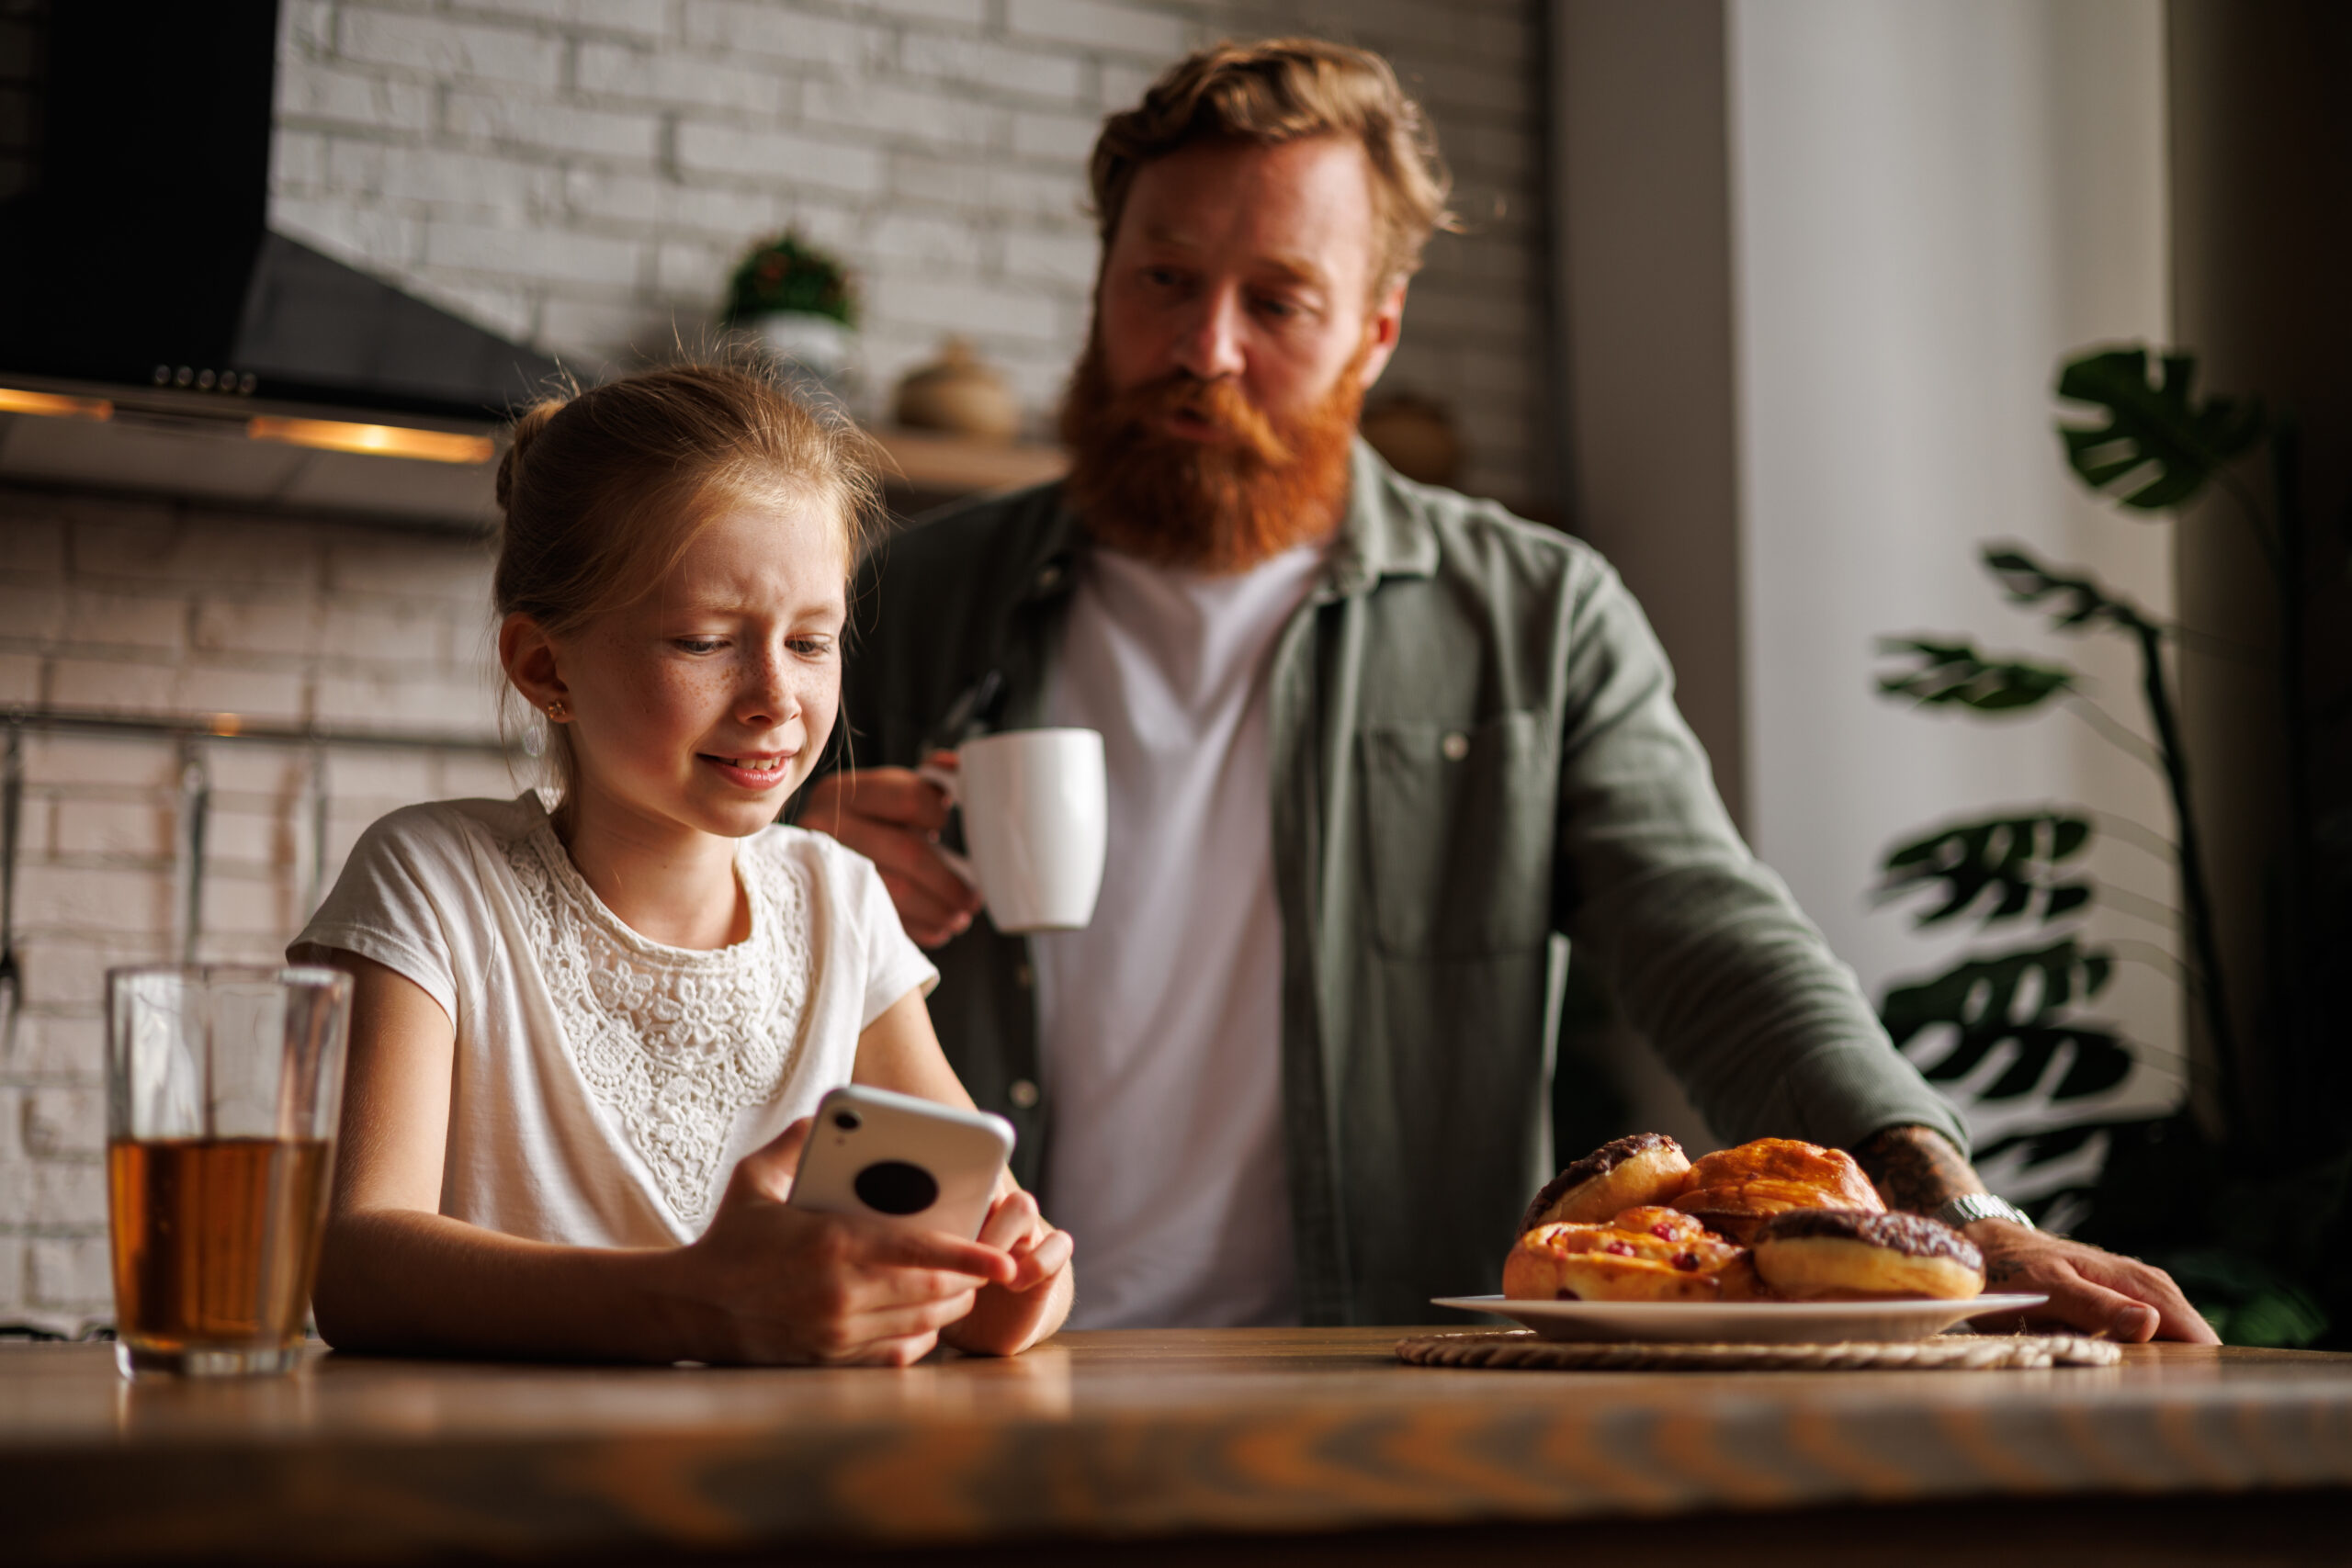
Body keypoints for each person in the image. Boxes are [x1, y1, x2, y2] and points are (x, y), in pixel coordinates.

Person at [803, 39, 2214, 1342]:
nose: (1204, 347)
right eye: (1162, 279)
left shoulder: (1536, 616)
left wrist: (1956, 1209)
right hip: (964, 1351)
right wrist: (791, 881)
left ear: (1376, 332)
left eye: (1279, 299)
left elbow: (1718, 945)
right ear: (1104, 278)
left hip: (1385, 1369)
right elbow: (645, 923)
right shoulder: (901, 601)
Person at [293, 364, 1074, 1365]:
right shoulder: (433, 882)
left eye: (811, 641)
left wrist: (1009, 1290)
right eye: (706, 642)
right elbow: (355, 1266)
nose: (774, 698)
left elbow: (974, 1230)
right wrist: (692, 1303)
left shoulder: (839, 902)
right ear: (544, 668)